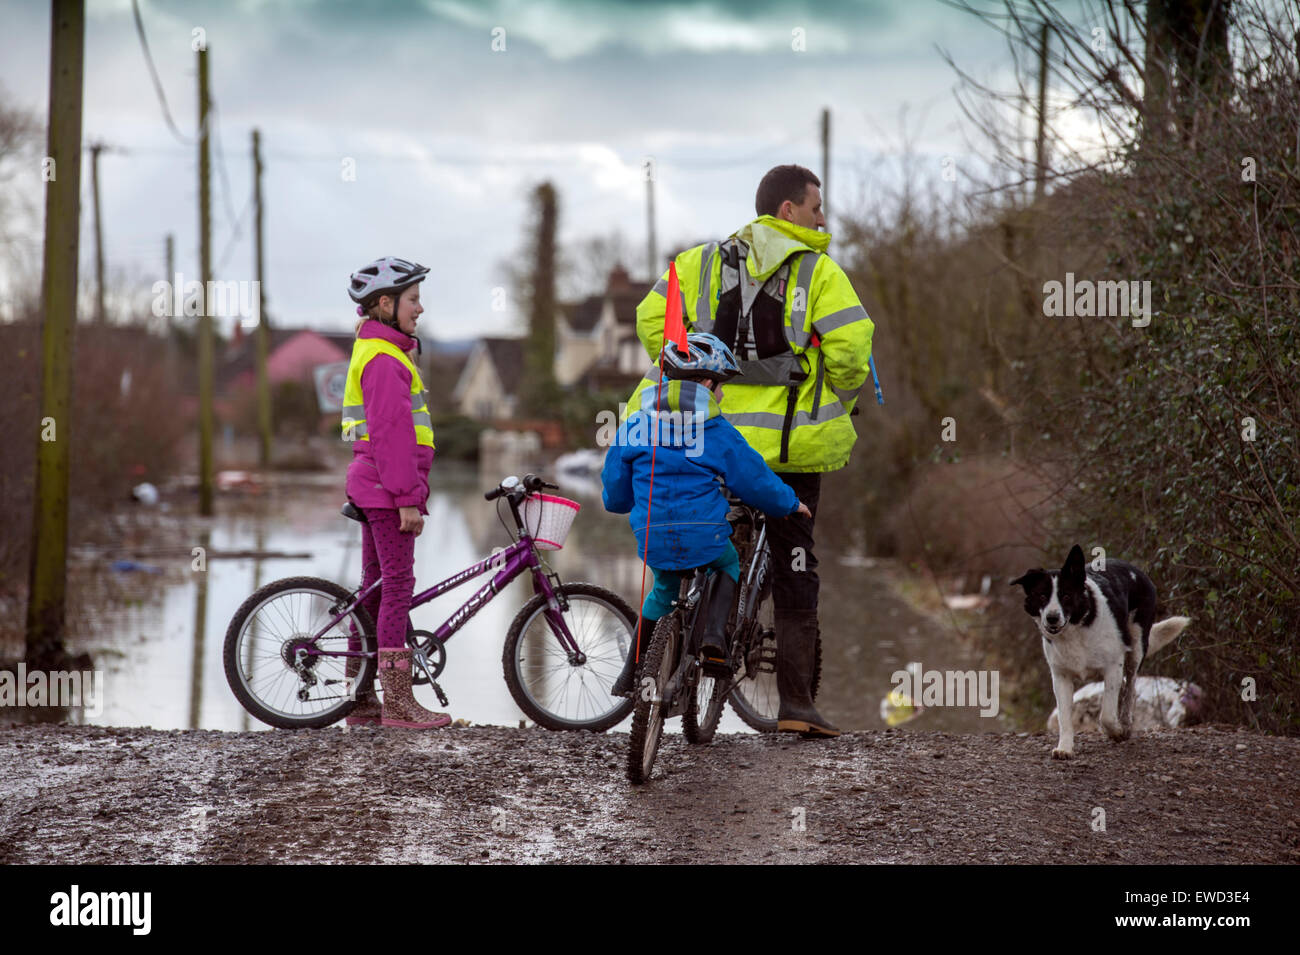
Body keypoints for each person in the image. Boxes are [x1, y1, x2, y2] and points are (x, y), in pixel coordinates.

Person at [628, 165, 875, 738]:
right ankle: (795, 704)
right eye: (817, 207)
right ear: (788, 210)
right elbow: (851, 348)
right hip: (790, 447)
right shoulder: (819, 272)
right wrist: (833, 389)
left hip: (706, 435)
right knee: (795, 565)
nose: (823, 218)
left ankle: (685, 654)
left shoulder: (699, 262)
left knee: (709, 541)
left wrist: (693, 375)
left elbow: (650, 321)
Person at [601, 332, 811, 698]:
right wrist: (791, 504)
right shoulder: (716, 430)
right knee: (727, 563)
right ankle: (714, 638)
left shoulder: (635, 425)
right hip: (705, 535)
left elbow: (615, 492)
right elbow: (756, 481)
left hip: (652, 536)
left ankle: (630, 672)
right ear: (707, 383)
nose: (723, 395)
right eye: (721, 387)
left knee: (662, 591)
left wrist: (623, 501)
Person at [340, 255, 450, 729]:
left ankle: (359, 697)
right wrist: (407, 498)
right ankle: (398, 704)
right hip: (386, 491)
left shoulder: (381, 351)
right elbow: (392, 436)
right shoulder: (385, 360)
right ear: (385, 304)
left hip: (374, 485)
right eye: (413, 300)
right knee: (397, 586)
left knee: (374, 586)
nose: (419, 309)